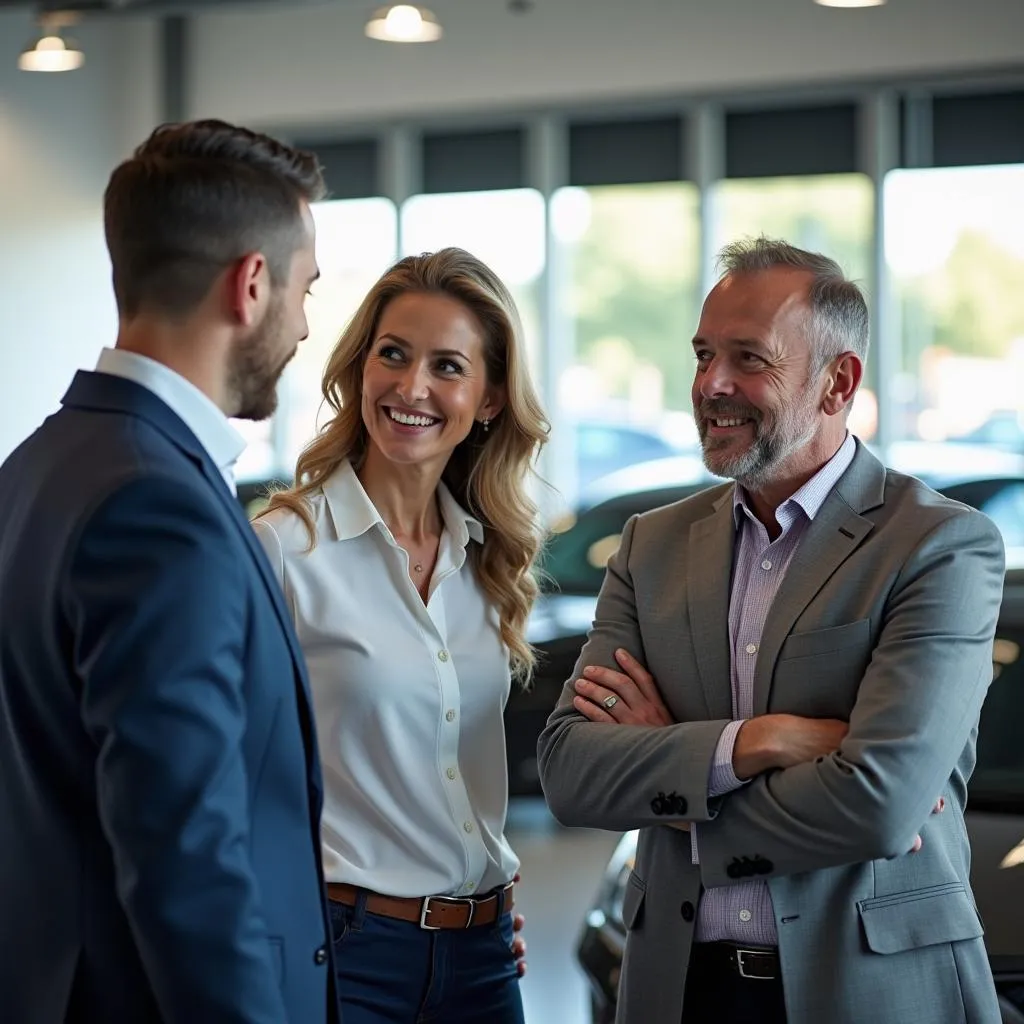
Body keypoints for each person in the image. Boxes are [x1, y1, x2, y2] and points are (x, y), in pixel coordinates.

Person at [537, 237, 1005, 1024]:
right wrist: (752, 743)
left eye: (748, 359)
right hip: (675, 987)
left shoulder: (937, 544)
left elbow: (881, 804)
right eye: (702, 354)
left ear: (837, 381)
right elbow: (570, 771)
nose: (710, 385)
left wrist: (677, 777)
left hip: (867, 989)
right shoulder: (652, 546)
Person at [0, 120, 338, 1024]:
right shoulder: (159, 505)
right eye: (305, 289)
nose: (306, 323)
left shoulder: (39, 465)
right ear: (252, 284)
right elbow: (182, 846)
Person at [252, 247, 548, 1024]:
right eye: (393, 354)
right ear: (359, 370)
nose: (412, 387)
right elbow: (230, 773)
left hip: (485, 957)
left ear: (487, 399)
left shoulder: (490, 560)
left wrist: (482, 888)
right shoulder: (285, 550)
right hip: (346, 953)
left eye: (448, 366)